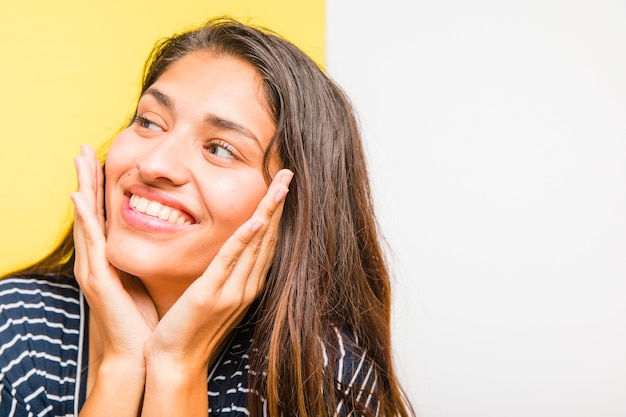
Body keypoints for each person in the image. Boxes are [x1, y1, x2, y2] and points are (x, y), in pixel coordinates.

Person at [0, 17, 414, 417]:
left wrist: (177, 367)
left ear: (289, 209)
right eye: (149, 122)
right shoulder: (16, 327)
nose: (154, 162)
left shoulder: (317, 377)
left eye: (219, 148)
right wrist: (123, 365)